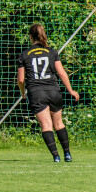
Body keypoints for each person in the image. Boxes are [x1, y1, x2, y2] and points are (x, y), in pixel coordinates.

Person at [17, 23, 79, 162]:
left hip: (36, 92)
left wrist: (23, 93)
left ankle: (56, 156)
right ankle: (67, 154)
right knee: (59, 124)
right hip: (53, 90)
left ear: (30, 37)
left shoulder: (24, 54)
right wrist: (71, 90)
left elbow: (21, 80)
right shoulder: (52, 52)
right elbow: (62, 73)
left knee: (46, 125)